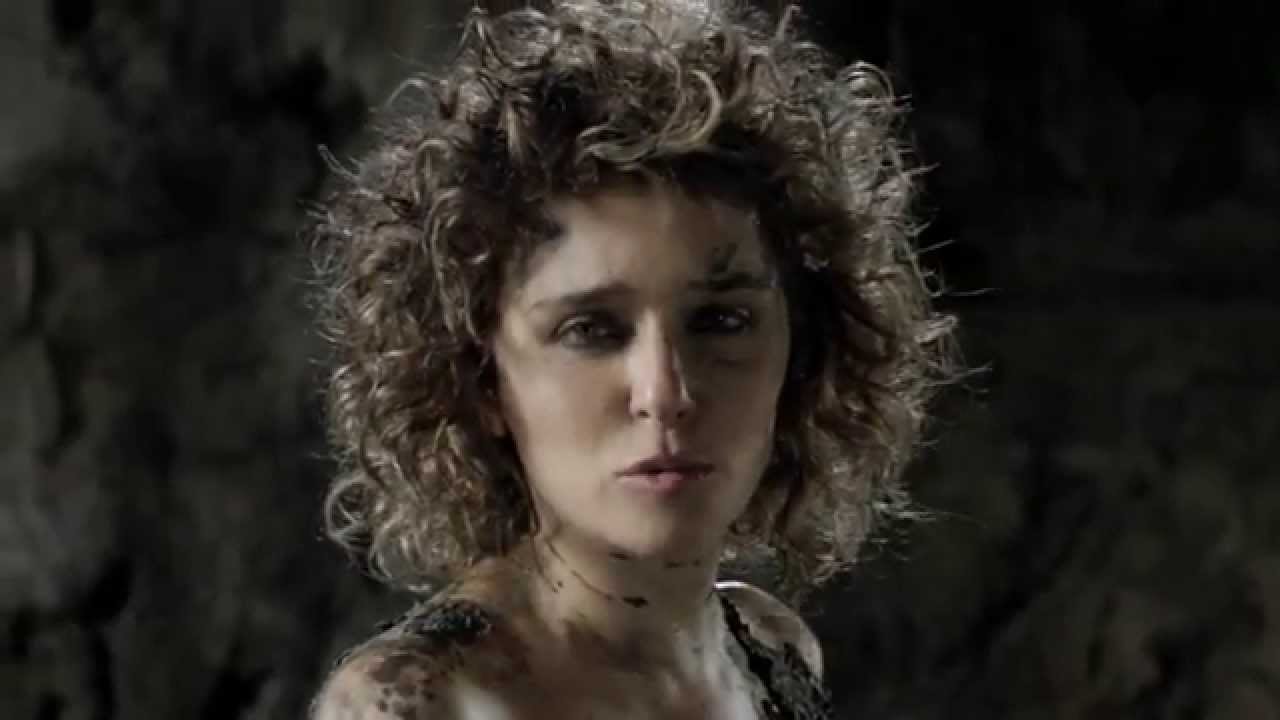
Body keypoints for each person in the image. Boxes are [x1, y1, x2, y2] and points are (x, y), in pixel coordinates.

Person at [306, 0, 955, 717]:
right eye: (592, 330)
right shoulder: (417, 704)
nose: (666, 392)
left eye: (721, 321)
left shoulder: (772, 650)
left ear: (802, 350)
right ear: (482, 378)